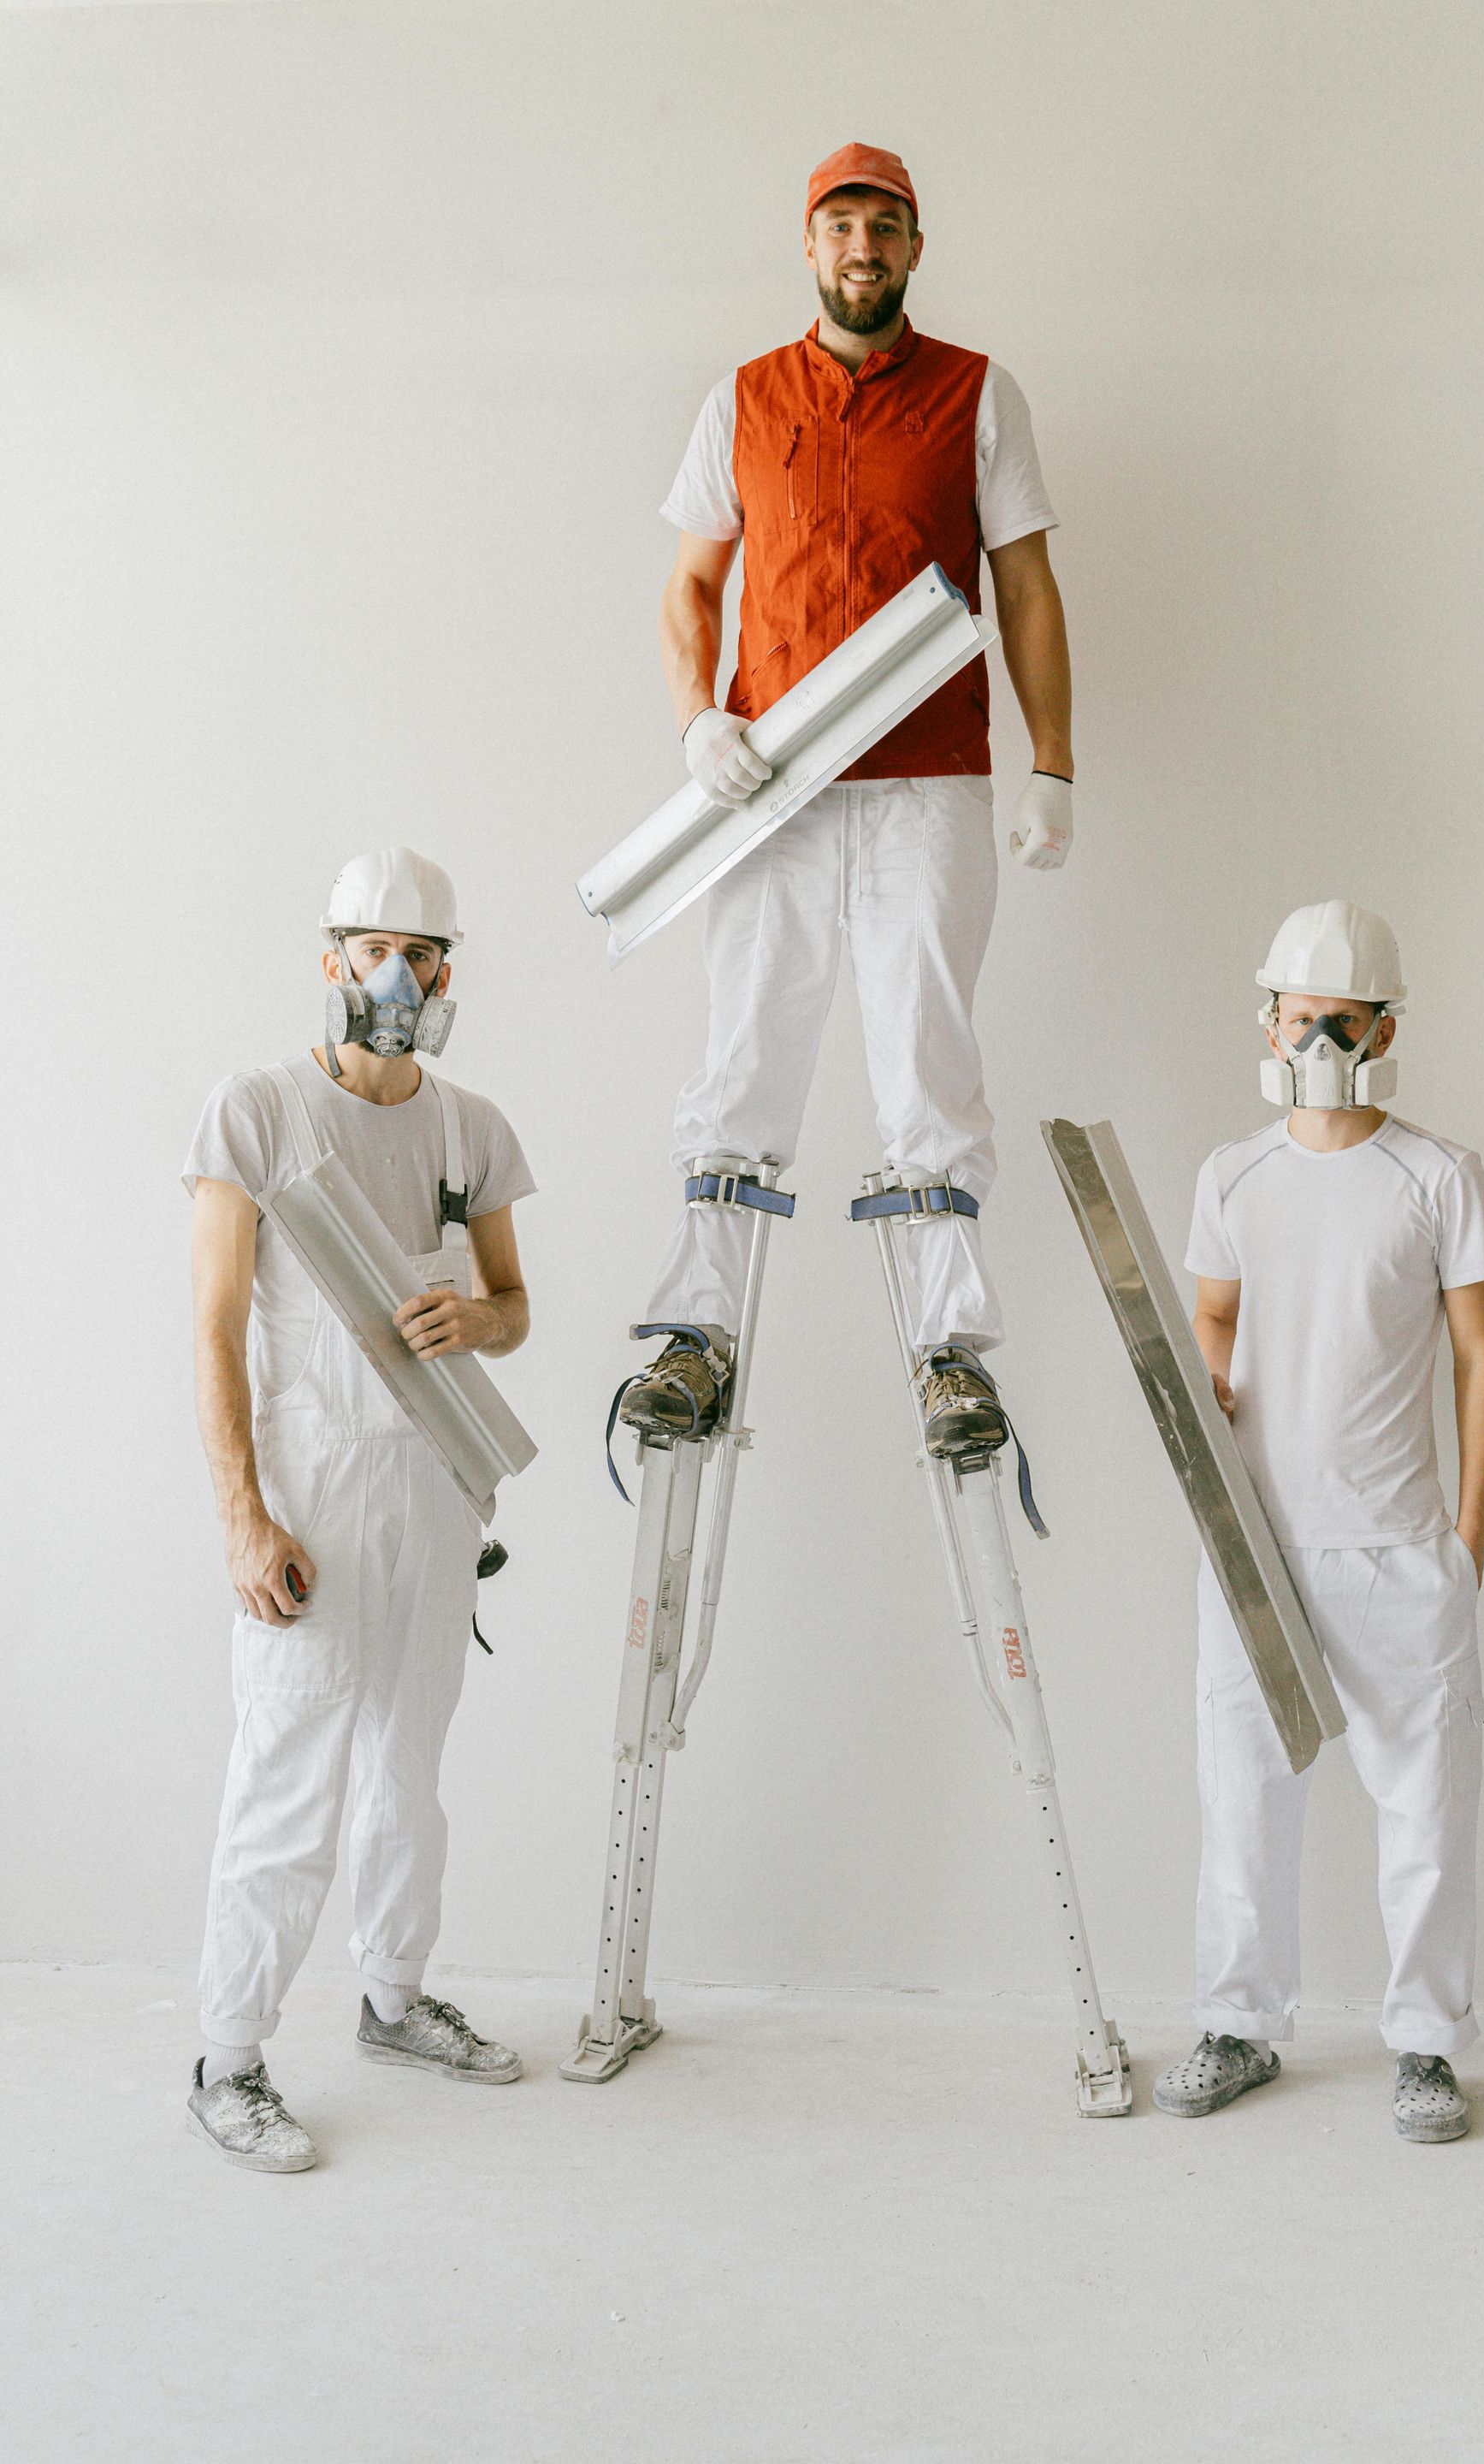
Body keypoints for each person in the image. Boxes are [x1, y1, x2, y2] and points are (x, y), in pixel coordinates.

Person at [619, 140, 1076, 1460]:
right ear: (809, 246)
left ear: (916, 246)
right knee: (743, 1060)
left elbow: (1027, 585)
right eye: (840, 226)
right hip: (772, 791)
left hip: (929, 785)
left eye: (885, 226)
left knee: (927, 1061)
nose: (862, 249)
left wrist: (1051, 761)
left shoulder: (979, 396)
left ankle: (950, 1354)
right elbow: (691, 583)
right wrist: (697, 719)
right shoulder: (744, 400)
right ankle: (697, 1339)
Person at [183, 850, 536, 2172]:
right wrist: (244, 1517)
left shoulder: (471, 1128)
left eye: (422, 955)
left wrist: (479, 1322)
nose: (398, 976)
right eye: (375, 949)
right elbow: (216, 1329)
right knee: (287, 1782)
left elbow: (515, 1305)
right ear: (331, 957)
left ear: (448, 974)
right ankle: (228, 2058)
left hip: (433, 1488)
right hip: (314, 1496)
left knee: (407, 1774)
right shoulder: (258, 1113)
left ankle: (393, 2001)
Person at [1152, 900, 1484, 2144]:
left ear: (1384, 1029)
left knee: (1427, 1807)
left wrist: (1468, 1538)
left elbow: (1478, 1356)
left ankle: (1426, 2047)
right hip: (1257, 1543)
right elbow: (1213, 1317)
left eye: (1341, 1021)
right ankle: (1238, 2026)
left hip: (1399, 1549)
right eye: (1300, 1018)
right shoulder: (1232, 1175)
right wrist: (1212, 1383)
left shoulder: (1438, 1175)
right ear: (1269, 1021)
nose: (1317, 1042)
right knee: (1243, 1797)